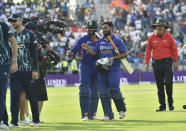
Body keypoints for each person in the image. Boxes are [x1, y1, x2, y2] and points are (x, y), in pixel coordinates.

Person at [67, 19, 113, 121]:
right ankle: (85, 115)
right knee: (84, 90)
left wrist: (88, 49)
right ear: (86, 28)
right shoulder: (82, 39)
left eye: (92, 28)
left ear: (96, 28)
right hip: (85, 67)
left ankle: (93, 114)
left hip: (97, 67)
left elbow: (98, 53)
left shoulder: (100, 40)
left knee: (95, 91)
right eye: (89, 28)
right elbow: (73, 51)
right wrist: (69, 53)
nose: (91, 30)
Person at [82, 21, 128, 120]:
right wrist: (87, 49)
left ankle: (121, 109)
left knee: (113, 89)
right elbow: (94, 52)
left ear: (111, 28)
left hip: (114, 68)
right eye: (102, 28)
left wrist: (113, 58)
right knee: (103, 93)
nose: (103, 30)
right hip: (102, 70)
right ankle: (108, 115)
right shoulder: (100, 41)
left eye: (105, 28)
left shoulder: (118, 41)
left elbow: (125, 54)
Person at [8, 13, 40, 128]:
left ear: (20, 21)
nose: (12, 23)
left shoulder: (30, 34)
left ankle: (36, 120)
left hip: (27, 70)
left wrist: (35, 69)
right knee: (14, 96)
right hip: (14, 71)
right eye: (11, 21)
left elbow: (34, 54)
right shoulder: (10, 35)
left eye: (14, 21)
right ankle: (14, 122)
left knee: (31, 96)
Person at [145, 17, 178, 112]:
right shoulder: (151, 38)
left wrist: (176, 62)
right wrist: (146, 62)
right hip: (156, 63)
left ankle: (170, 103)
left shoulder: (169, 37)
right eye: (157, 27)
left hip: (167, 62)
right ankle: (162, 106)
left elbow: (174, 49)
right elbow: (148, 50)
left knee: (168, 83)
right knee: (159, 85)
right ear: (155, 28)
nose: (159, 29)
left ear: (164, 28)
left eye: (161, 27)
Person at [0, 21, 18, 130]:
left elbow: (14, 42)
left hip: (3, 63)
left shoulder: (3, 26)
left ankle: (2, 122)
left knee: (1, 93)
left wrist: (14, 61)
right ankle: (4, 121)